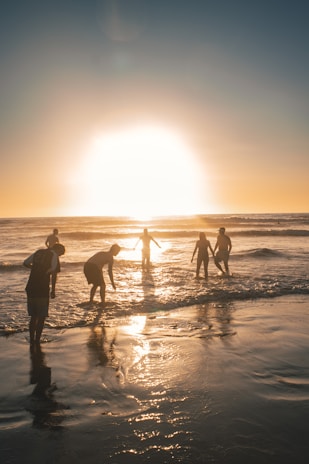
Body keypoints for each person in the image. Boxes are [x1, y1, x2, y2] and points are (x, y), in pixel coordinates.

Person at [23, 243, 65, 345]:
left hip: (31, 286)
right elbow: (54, 273)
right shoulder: (54, 255)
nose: (59, 256)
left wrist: (35, 269)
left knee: (33, 316)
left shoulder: (39, 252)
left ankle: (32, 339)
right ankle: (37, 340)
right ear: (58, 249)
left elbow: (25, 263)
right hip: (42, 288)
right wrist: (53, 290)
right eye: (61, 254)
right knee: (41, 316)